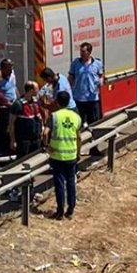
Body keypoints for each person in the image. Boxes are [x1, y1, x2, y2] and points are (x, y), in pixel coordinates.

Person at [45, 90, 82, 220]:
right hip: (71, 155)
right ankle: (71, 209)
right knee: (71, 182)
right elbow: (79, 138)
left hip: (57, 155)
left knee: (59, 183)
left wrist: (47, 146)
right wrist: (78, 152)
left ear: (57, 102)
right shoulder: (76, 117)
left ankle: (60, 211)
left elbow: (45, 133)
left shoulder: (54, 116)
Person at [68, 42, 105, 126]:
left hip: (93, 98)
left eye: (83, 51)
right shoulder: (75, 63)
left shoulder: (97, 64)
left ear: (89, 52)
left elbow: (101, 76)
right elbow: (71, 78)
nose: (81, 53)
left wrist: (101, 82)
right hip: (79, 99)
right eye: (80, 51)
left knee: (94, 121)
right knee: (79, 122)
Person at [8, 81, 46, 158]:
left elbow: (39, 118)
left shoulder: (36, 102)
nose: (38, 91)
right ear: (31, 90)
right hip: (24, 140)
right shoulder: (18, 104)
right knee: (22, 159)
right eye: (37, 89)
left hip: (36, 139)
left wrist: (42, 129)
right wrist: (13, 140)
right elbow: (11, 123)